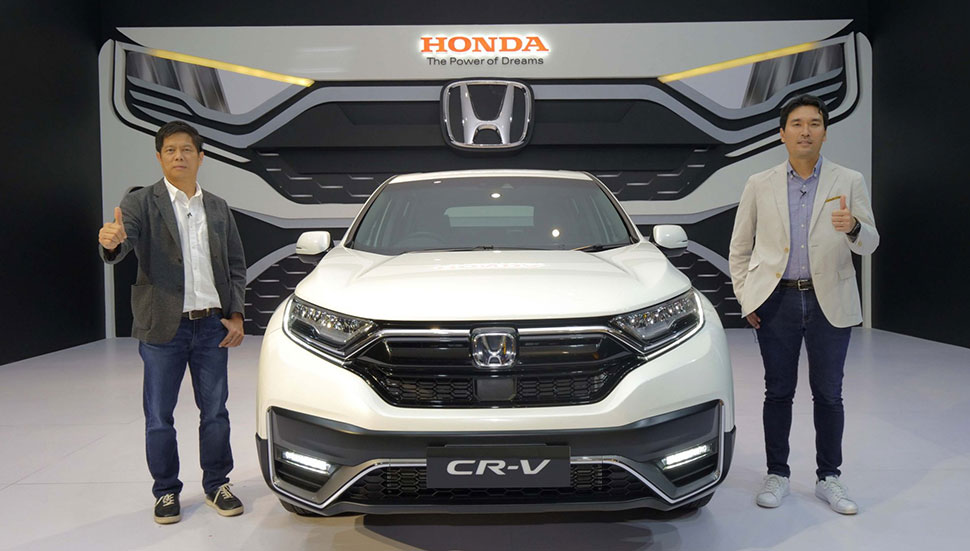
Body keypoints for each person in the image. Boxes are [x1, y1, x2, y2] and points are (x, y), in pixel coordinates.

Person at [728, 94, 878, 515]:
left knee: (829, 393)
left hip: (830, 299)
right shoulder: (759, 183)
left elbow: (870, 243)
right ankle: (777, 473)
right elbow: (739, 248)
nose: (805, 131)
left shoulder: (849, 180)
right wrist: (747, 296)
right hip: (777, 300)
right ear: (782, 134)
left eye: (814, 123)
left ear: (825, 133)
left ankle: (829, 477)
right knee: (778, 391)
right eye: (796, 124)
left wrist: (854, 227)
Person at [98, 120, 246, 524]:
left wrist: (235, 314)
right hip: (163, 328)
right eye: (170, 150)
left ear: (201, 157)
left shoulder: (217, 207)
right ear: (159, 157)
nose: (178, 156)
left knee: (215, 413)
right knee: (159, 417)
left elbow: (235, 264)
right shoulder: (140, 203)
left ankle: (217, 484)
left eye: (186, 150)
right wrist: (112, 243)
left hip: (212, 327)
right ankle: (165, 490)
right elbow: (122, 240)